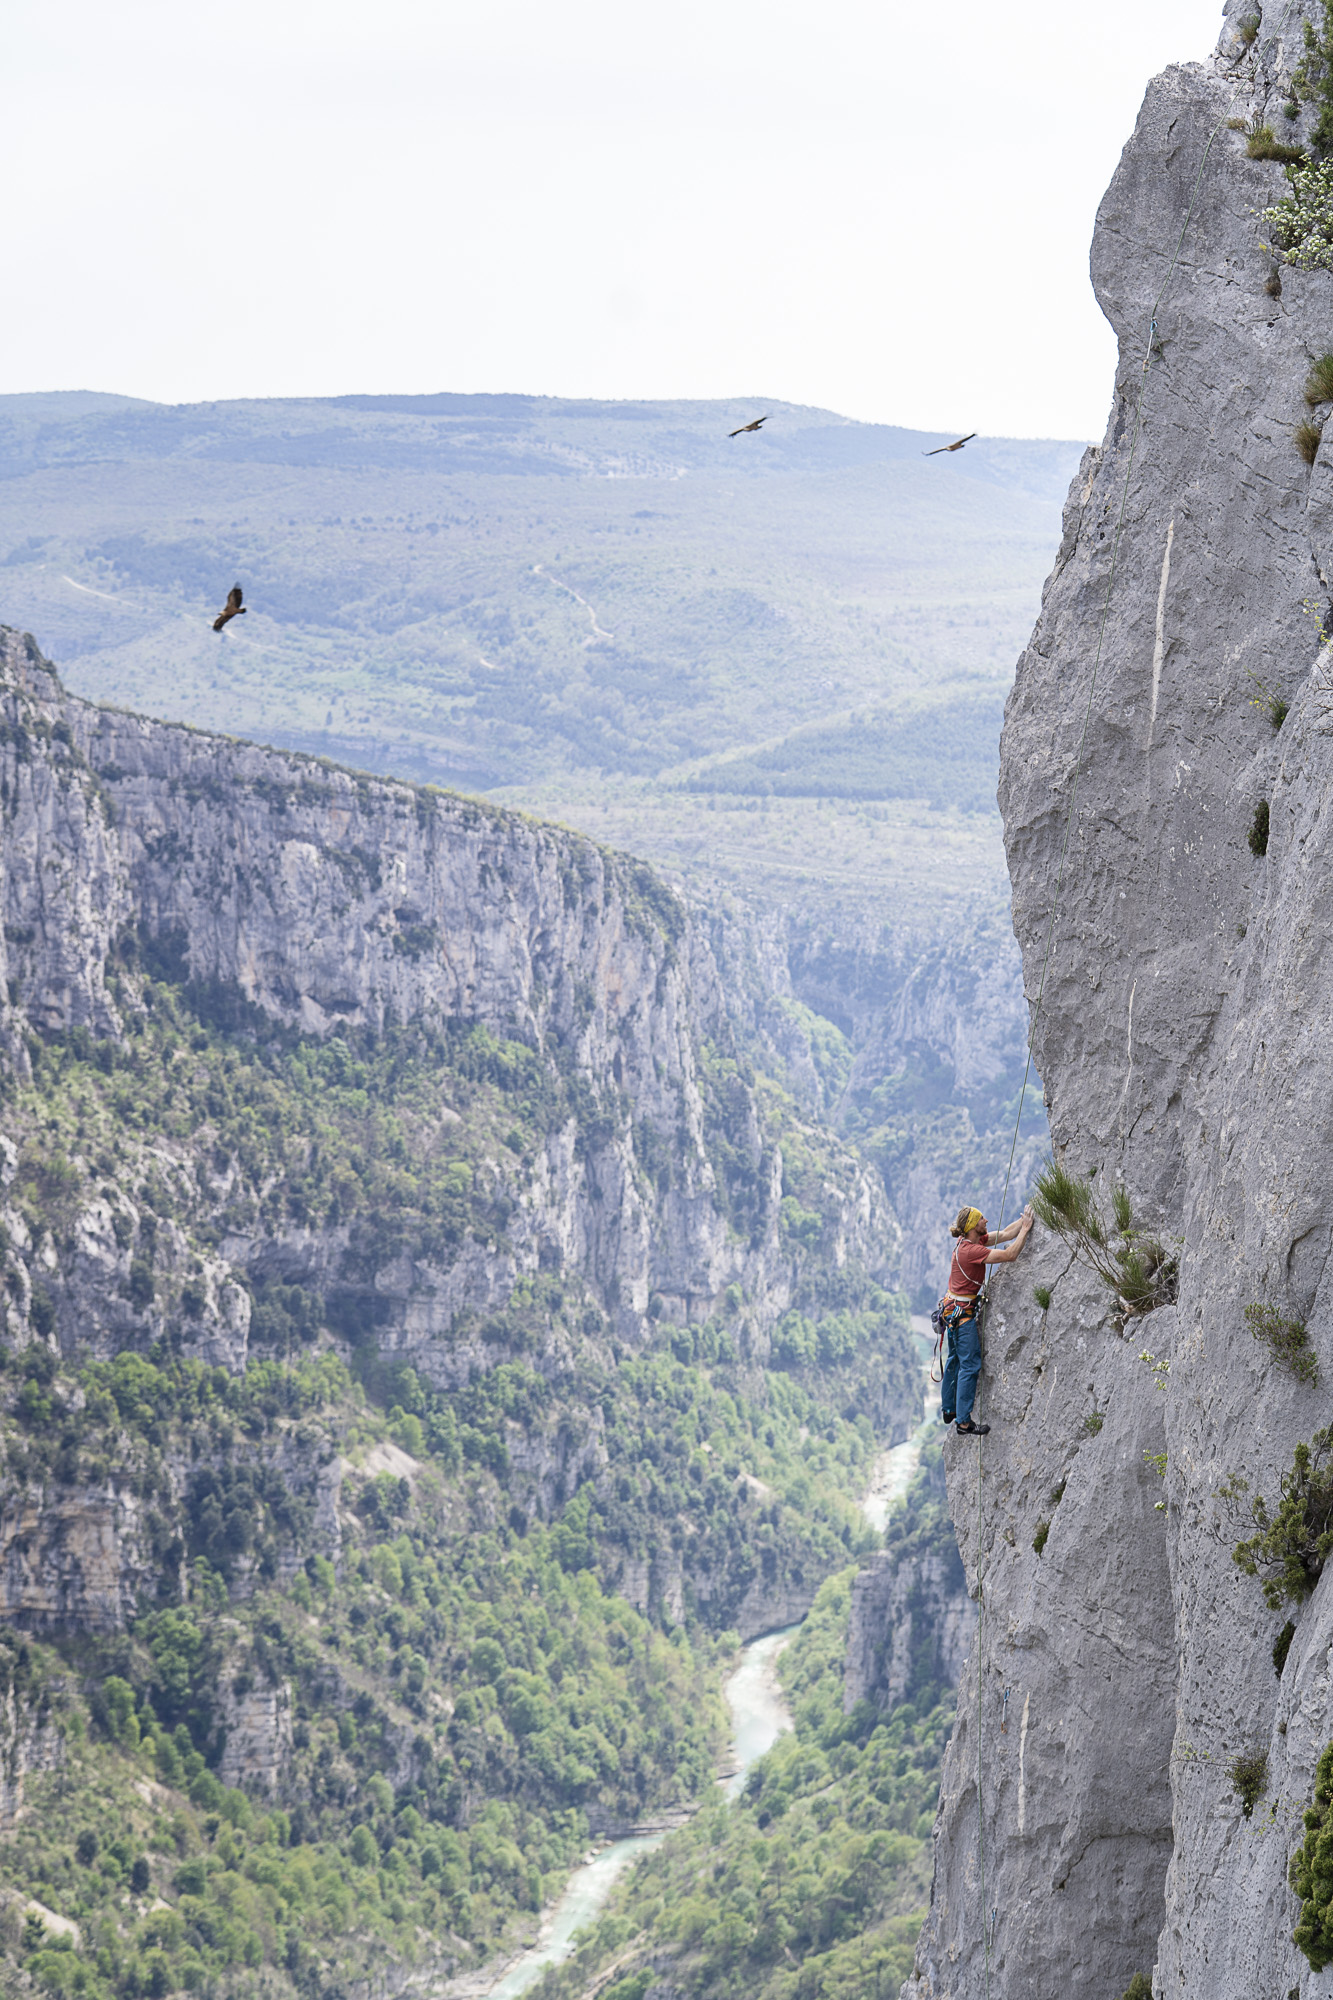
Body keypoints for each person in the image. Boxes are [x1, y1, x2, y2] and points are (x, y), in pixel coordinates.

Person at [938, 1203, 1035, 1436]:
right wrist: (1026, 1230)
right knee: (969, 1365)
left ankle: (949, 1409)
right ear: (973, 1227)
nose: (987, 1221)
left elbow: (1004, 1234)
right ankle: (963, 1422)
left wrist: (1024, 1222)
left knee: (954, 1360)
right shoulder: (972, 1251)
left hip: (952, 1312)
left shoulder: (970, 1242)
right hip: (963, 1317)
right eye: (982, 1219)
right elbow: (1010, 1255)